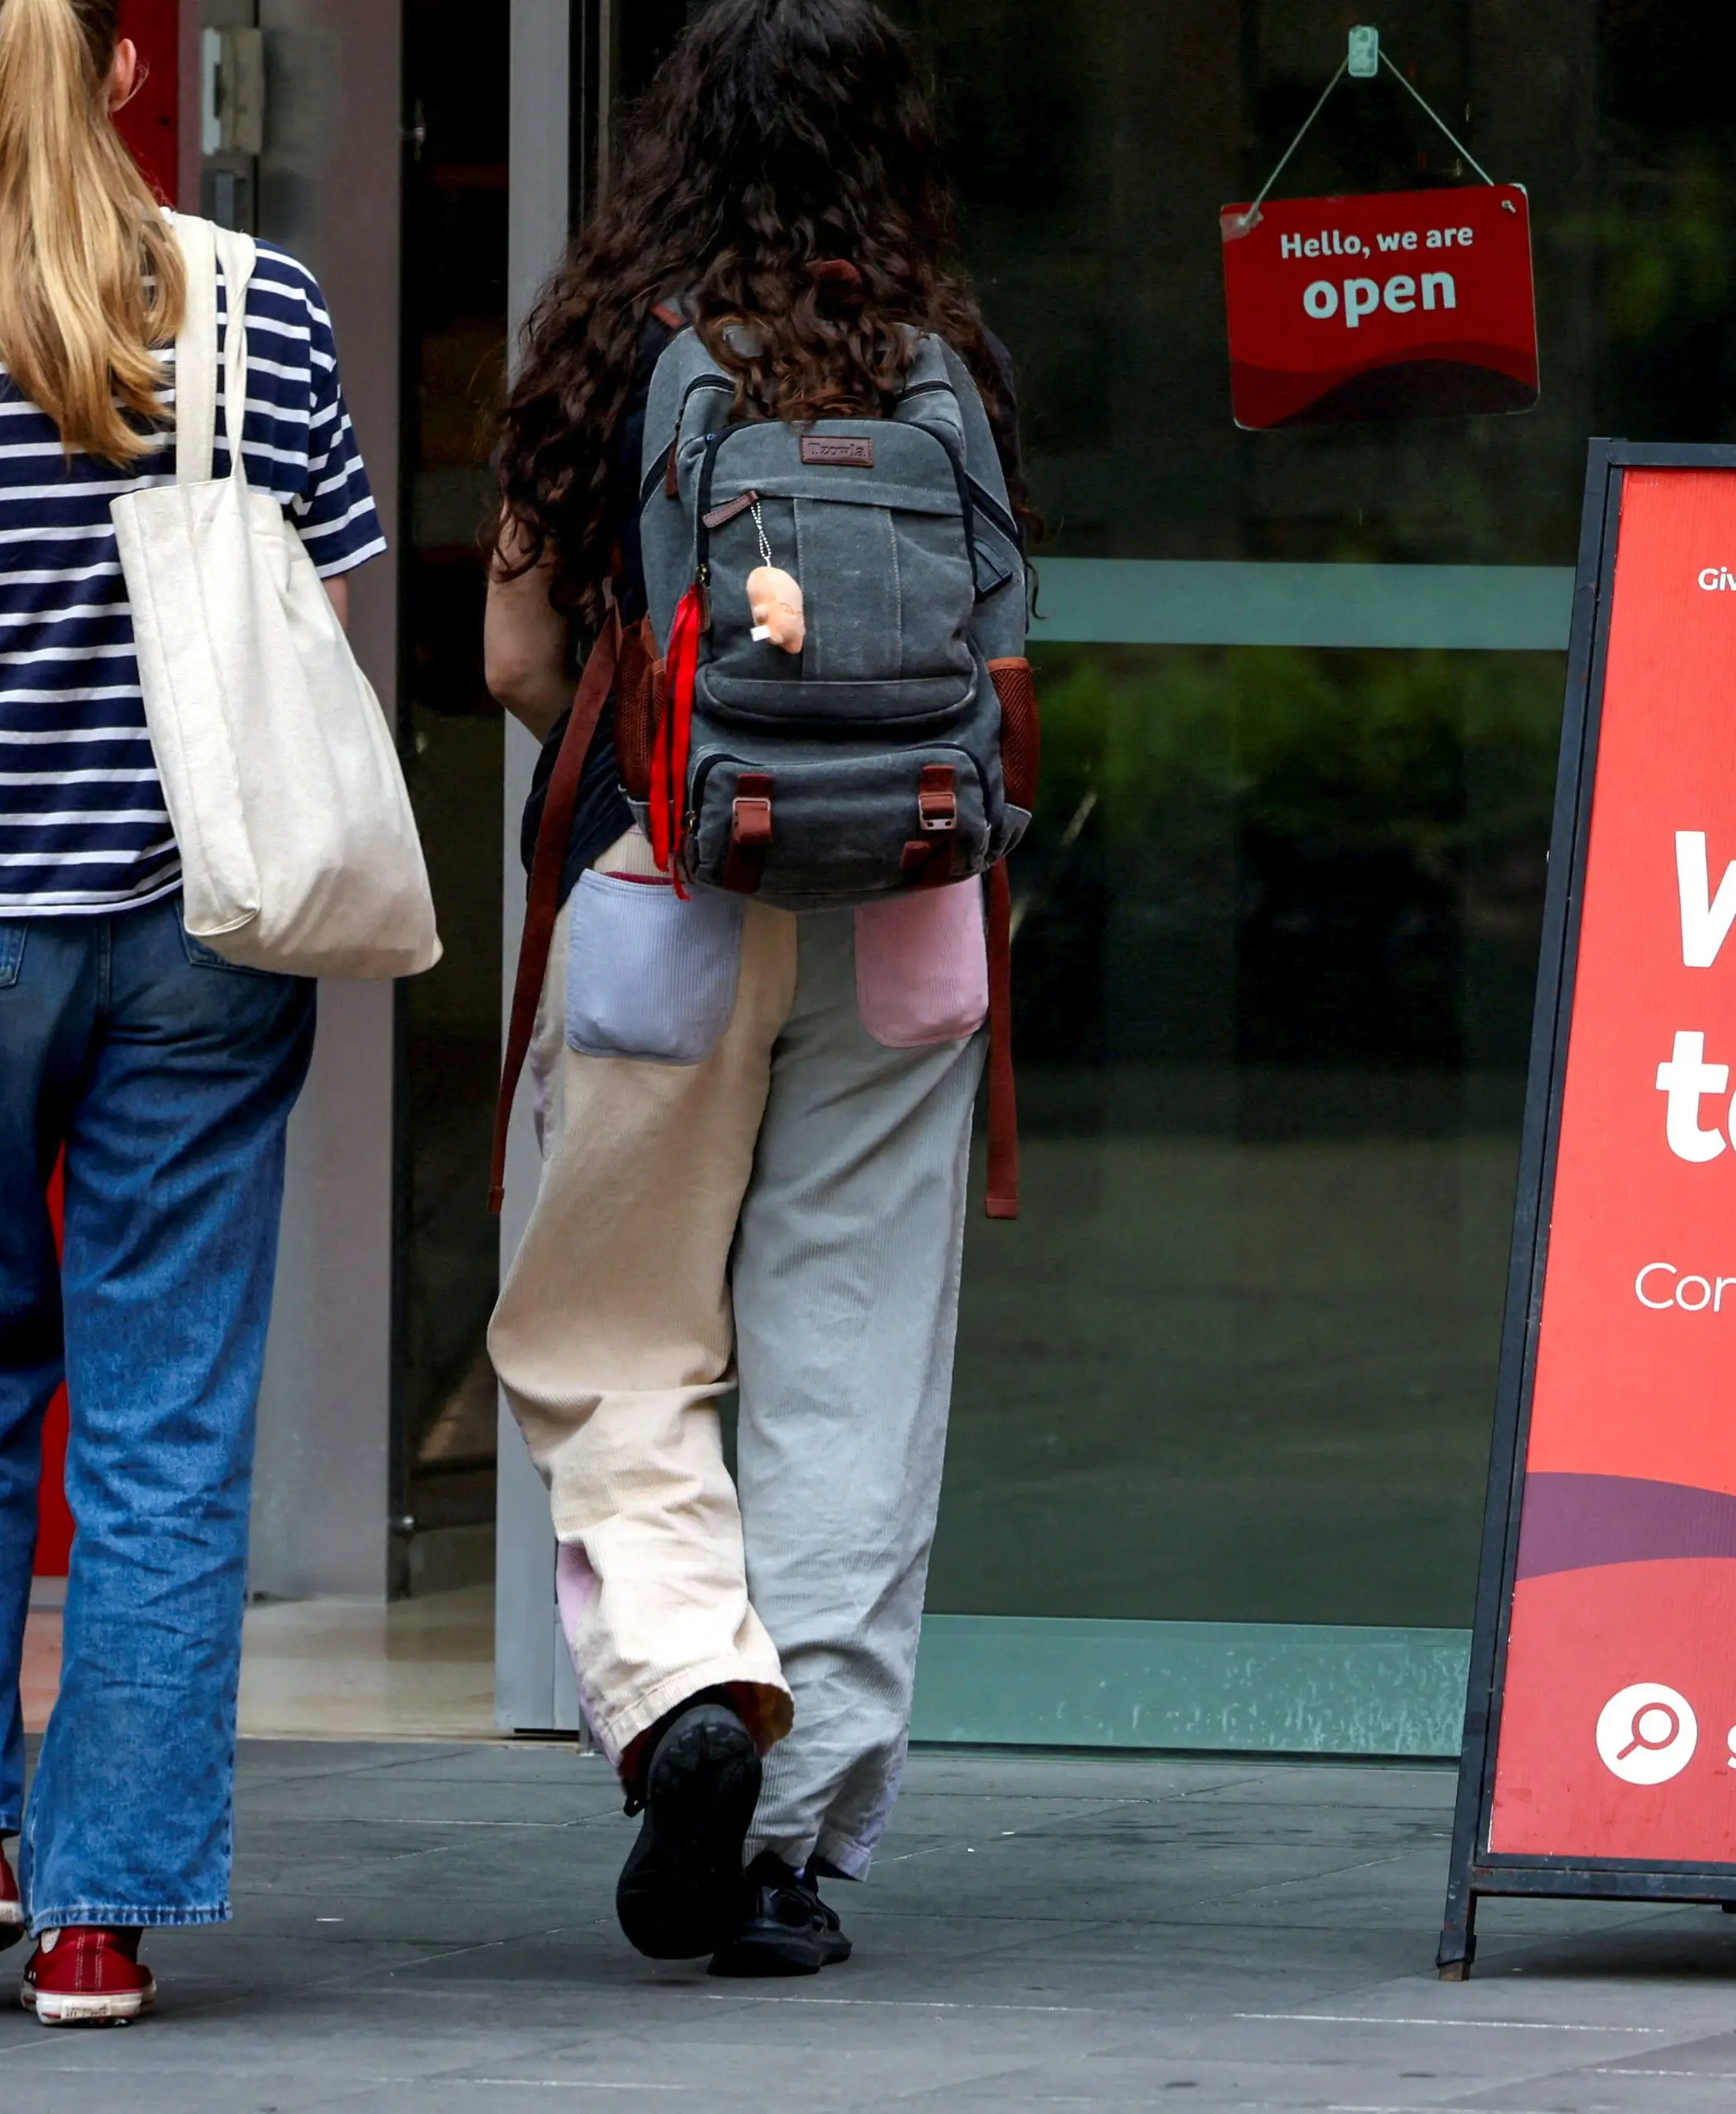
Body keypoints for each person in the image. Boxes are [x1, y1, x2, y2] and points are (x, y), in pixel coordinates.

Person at [0, 0, 384, 2026]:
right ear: (130, 71)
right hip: (201, 924)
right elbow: (311, 633)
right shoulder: (262, 309)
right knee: (165, 1407)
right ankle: (103, 1910)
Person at [478, 0, 1019, 1981]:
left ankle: (688, 1685)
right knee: (849, 1363)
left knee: (615, 1333)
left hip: (666, 896)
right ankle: (788, 1850)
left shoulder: (602, 345)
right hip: (907, 913)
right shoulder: (944, 356)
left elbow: (516, 660)